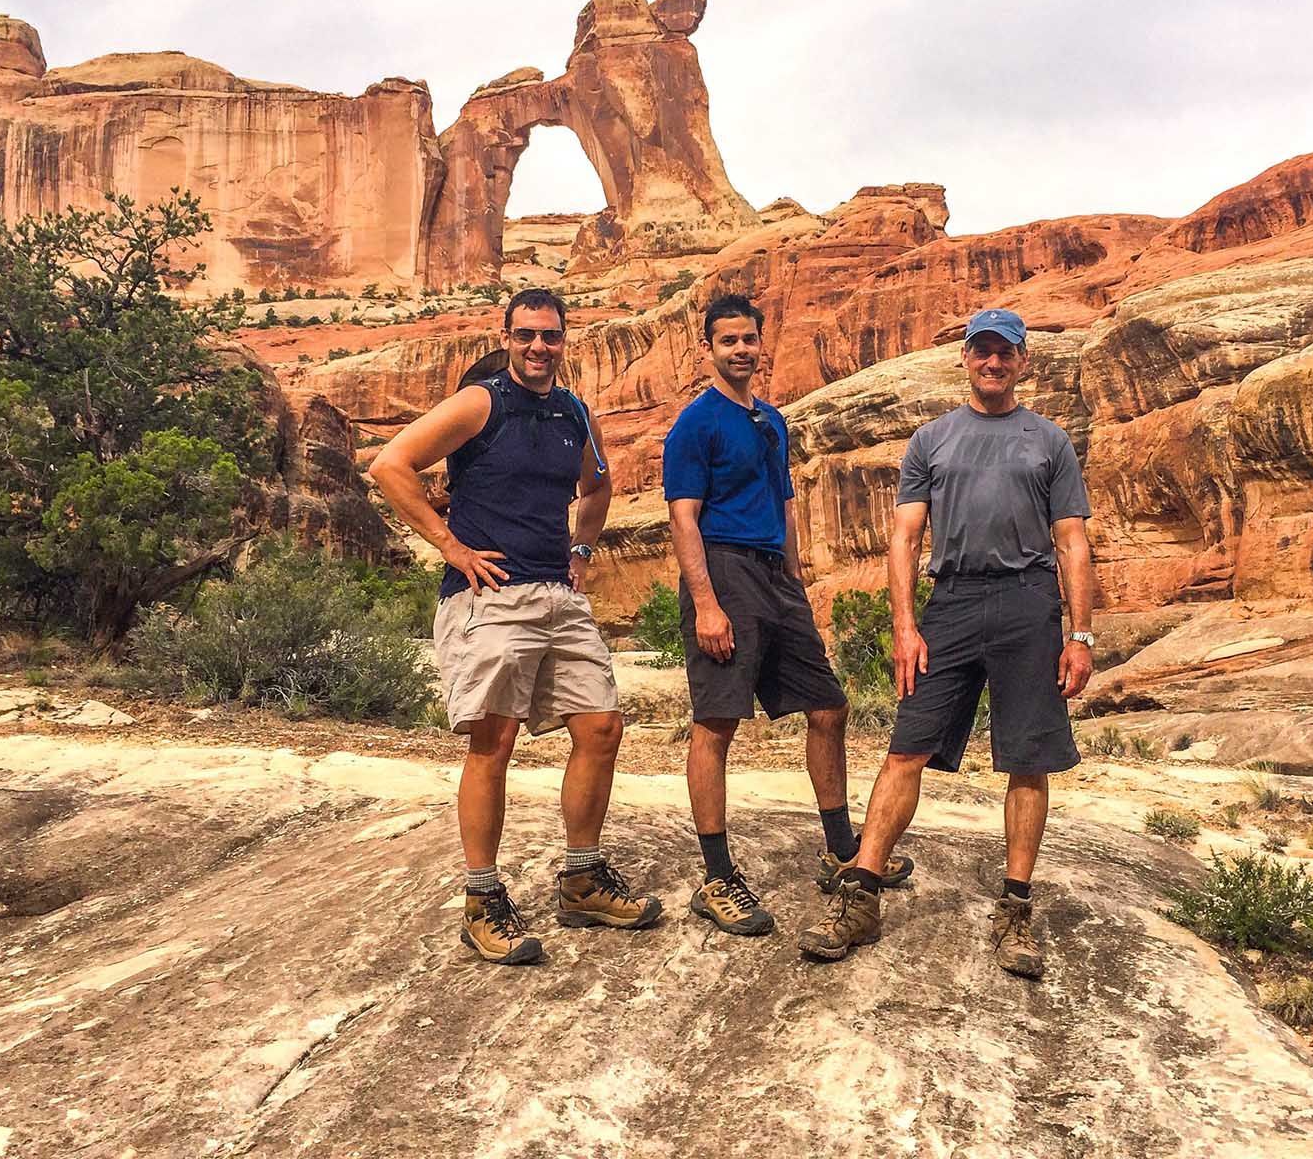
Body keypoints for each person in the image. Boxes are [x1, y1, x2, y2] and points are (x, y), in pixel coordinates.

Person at [797, 307, 1096, 978]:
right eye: (981, 352)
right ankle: (862, 893)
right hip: (953, 602)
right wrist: (905, 626)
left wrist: (1078, 634)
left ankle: (1015, 909)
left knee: (1028, 758)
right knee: (908, 746)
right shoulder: (932, 440)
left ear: (1024, 361)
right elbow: (904, 538)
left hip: (1028, 603)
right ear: (965, 358)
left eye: (1005, 353)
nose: (992, 363)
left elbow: (1073, 542)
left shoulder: (1049, 441)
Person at [370, 287, 661, 965]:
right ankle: (483, 898)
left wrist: (583, 550)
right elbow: (390, 465)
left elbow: (597, 486)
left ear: (564, 342)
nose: (538, 347)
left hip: (557, 594)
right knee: (493, 742)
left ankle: (582, 879)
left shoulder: (572, 412)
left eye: (550, 336)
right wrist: (450, 546)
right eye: (526, 335)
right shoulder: (483, 402)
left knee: (601, 727)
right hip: (490, 595)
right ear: (506, 338)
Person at [663, 294, 912, 937]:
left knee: (828, 707)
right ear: (708, 349)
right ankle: (716, 877)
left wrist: (796, 582)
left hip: (775, 577)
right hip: (723, 571)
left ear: (760, 343)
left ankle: (839, 848)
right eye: (728, 341)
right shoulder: (697, 423)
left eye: (749, 339)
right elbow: (683, 517)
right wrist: (708, 604)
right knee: (717, 721)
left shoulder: (771, 420)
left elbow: (786, 504)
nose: (741, 350)